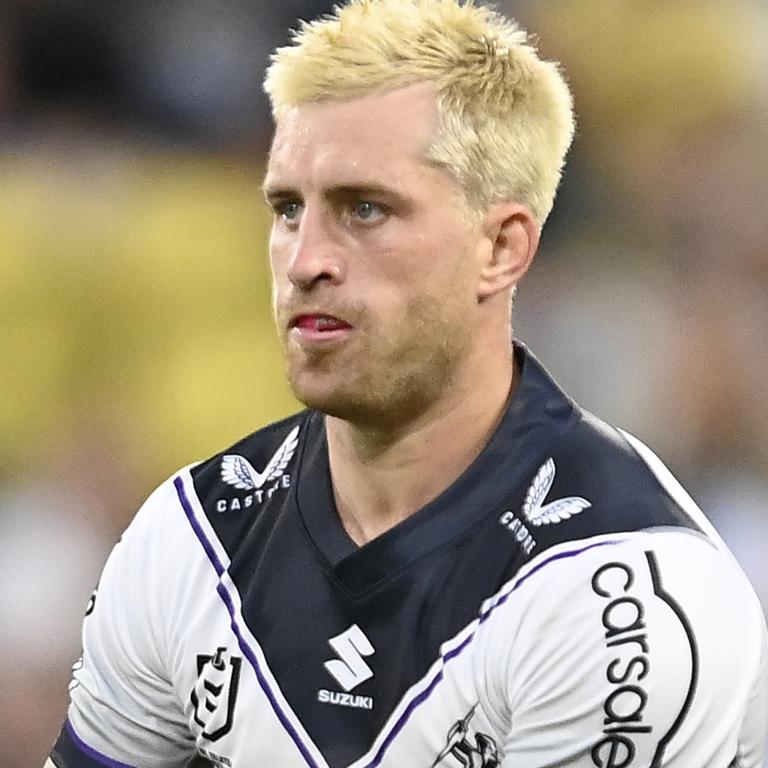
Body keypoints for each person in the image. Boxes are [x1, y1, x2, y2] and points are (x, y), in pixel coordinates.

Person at [46, 1, 767, 766]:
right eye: (289, 209)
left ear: (501, 246)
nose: (305, 261)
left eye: (365, 209)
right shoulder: (191, 537)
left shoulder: (620, 592)